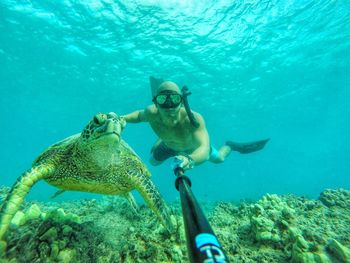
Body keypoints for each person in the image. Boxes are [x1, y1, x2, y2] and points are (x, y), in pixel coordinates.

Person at [121, 80, 269, 170]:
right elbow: (139, 115)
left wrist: (189, 160)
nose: (169, 106)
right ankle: (162, 140)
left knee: (220, 159)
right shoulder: (150, 113)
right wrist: (122, 118)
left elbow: (204, 149)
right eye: (162, 100)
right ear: (155, 102)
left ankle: (231, 145)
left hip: (193, 148)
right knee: (153, 162)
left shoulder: (193, 119)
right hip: (168, 145)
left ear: (181, 100)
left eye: (174, 99)